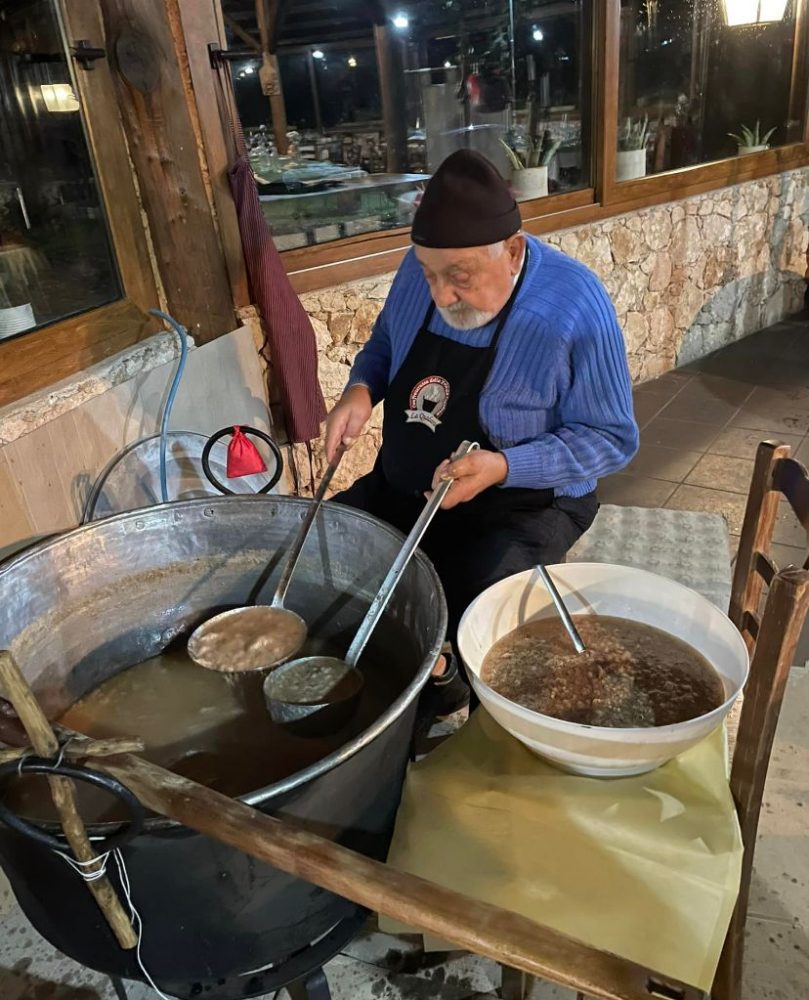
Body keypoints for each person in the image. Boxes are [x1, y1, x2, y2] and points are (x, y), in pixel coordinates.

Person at [325, 149, 638, 712]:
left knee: (471, 624)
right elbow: (385, 344)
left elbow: (611, 438)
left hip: (522, 507)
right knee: (329, 558)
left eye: (459, 278)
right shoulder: (422, 271)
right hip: (406, 490)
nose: (440, 294)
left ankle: (445, 708)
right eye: (429, 274)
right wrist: (361, 389)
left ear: (512, 252)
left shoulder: (569, 307)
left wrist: (504, 466)